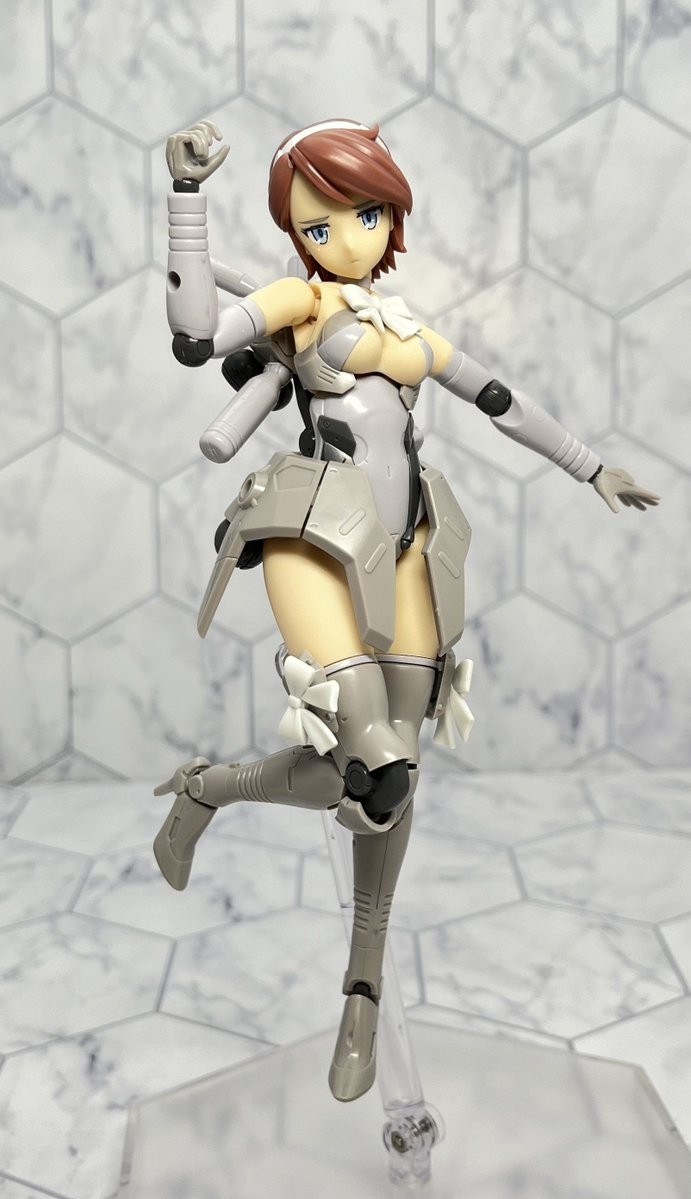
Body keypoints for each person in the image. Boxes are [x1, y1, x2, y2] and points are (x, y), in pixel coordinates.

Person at [154, 118, 659, 1102]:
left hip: (407, 546)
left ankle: (350, 974)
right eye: (319, 224)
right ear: (296, 236)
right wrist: (185, 198)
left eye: (365, 215)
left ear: (391, 216)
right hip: (312, 531)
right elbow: (194, 336)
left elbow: (500, 400)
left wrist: (591, 466)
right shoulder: (297, 303)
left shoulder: (409, 327)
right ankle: (221, 806)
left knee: (390, 783)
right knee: (372, 750)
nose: (345, 237)